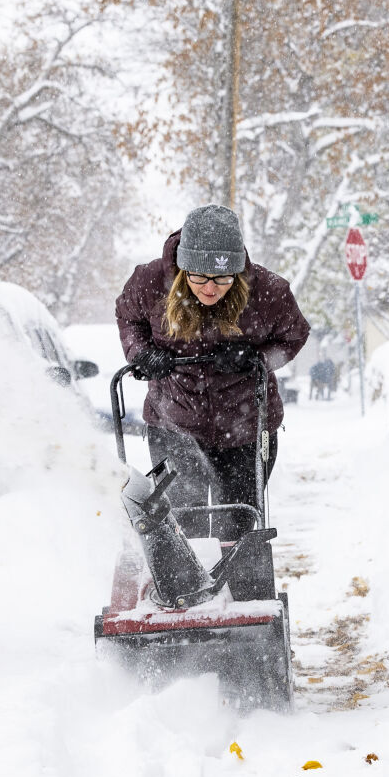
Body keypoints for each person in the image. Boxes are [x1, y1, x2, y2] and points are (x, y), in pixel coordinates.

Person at [116, 205, 311, 540]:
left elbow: (294, 336)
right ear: (182, 268)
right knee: (182, 525)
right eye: (199, 277)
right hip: (173, 421)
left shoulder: (269, 292)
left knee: (234, 526)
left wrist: (256, 357)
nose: (210, 289)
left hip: (245, 426)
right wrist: (143, 354)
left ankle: (238, 586)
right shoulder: (150, 283)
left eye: (222, 279)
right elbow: (128, 317)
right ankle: (186, 590)